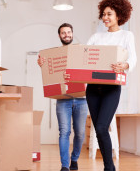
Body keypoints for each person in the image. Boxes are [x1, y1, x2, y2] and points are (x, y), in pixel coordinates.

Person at [67, 0, 137, 171]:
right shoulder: (96, 37)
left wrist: (125, 64)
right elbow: (83, 55)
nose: (105, 18)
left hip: (111, 89)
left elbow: (133, 57)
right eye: (104, 14)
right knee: (99, 130)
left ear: (119, 15)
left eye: (109, 14)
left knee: (101, 125)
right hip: (93, 89)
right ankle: (109, 167)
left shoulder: (127, 35)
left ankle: (109, 167)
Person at [38, 23, 88, 171]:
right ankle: (65, 165)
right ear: (59, 36)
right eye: (63, 33)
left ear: (72, 33)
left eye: (69, 32)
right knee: (64, 131)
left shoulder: (81, 51)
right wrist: (41, 64)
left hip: (81, 98)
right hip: (63, 99)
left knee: (79, 132)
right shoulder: (54, 55)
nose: (66, 35)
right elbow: (48, 71)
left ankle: (74, 159)